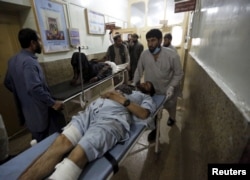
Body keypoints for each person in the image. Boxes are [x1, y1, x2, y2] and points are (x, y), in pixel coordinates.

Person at [19, 82, 156, 180]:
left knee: (80, 152)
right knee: (61, 142)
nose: (144, 84)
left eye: (148, 85)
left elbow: (144, 114)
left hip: (112, 118)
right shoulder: (127, 86)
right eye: (144, 82)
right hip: (91, 112)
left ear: (149, 92)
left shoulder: (145, 97)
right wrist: (108, 95)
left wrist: (121, 99)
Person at [4, 28, 64, 142]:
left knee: (37, 140)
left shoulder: (12, 60)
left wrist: (23, 93)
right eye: (39, 40)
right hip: (40, 113)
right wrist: (53, 103)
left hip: (27, 113)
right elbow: (34, 88)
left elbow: (7, 82)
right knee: (49, 143)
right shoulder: (29, 62)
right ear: (33, 43)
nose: (41, 43)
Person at [133, 29, 184, 141]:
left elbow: (179, 73)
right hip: (152, 91)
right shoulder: (145, 54)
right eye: (148, 41)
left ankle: (172, 118)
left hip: (168, 90)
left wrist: (171, 86)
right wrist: (134, 84)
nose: (150, 44)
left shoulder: (172, 55)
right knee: (154, 111)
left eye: (153, 40)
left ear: (160, 40)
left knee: (171, 108)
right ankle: (155, 130)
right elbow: (139, 70)